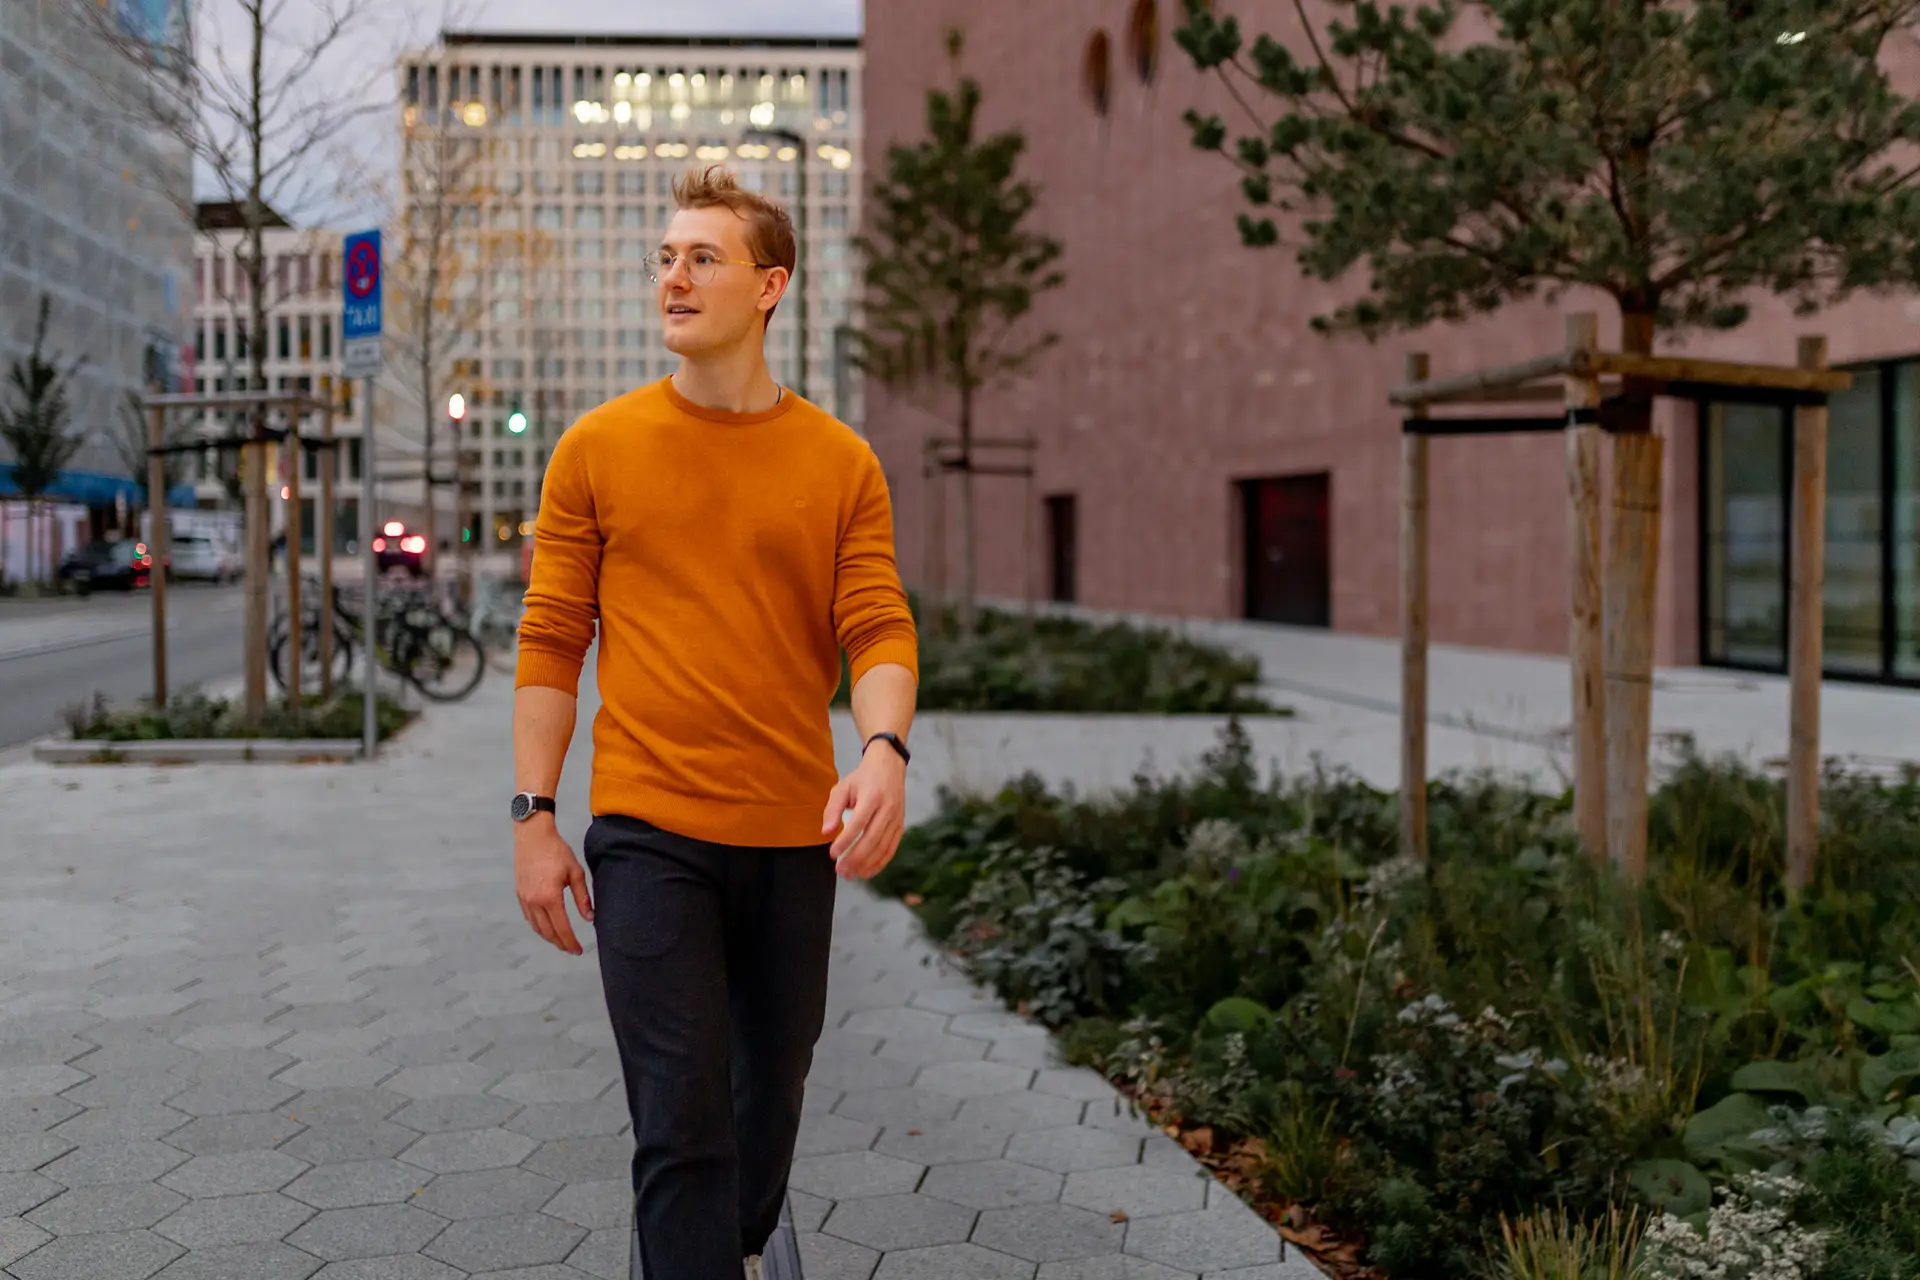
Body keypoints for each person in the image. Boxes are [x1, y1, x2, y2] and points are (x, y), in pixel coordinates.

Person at [509, 165, 920, 1280]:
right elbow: (551, 639)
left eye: (704, 257)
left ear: (770, 284)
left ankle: (736, 1236)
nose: (674, 275)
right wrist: (535, 815)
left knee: (765, 1101)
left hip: (794, 835)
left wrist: (883, 750)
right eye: (665, 255)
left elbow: (878, 624)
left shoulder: (841, 462)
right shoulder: (596, 449)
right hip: (647, 834)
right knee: (682, 1123)